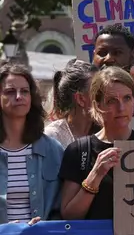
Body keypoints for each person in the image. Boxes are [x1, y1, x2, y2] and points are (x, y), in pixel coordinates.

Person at [58, 67, 134, 220]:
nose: (121, 108)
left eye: (127, 98)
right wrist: (95, 175)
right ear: (97, 106)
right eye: (111, 101)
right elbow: (69, 215)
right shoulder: (79, 151)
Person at [0, 63, 64, 224]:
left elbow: (62, 208)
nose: (19, 96)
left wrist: (44, 225)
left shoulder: (52, 150)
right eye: (10, 91)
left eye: (25, 91)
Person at [45, 59, 100, 148]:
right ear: (80, 99)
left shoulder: (105, 131)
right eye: (98, 91)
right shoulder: (51, 138)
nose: (106, 97)